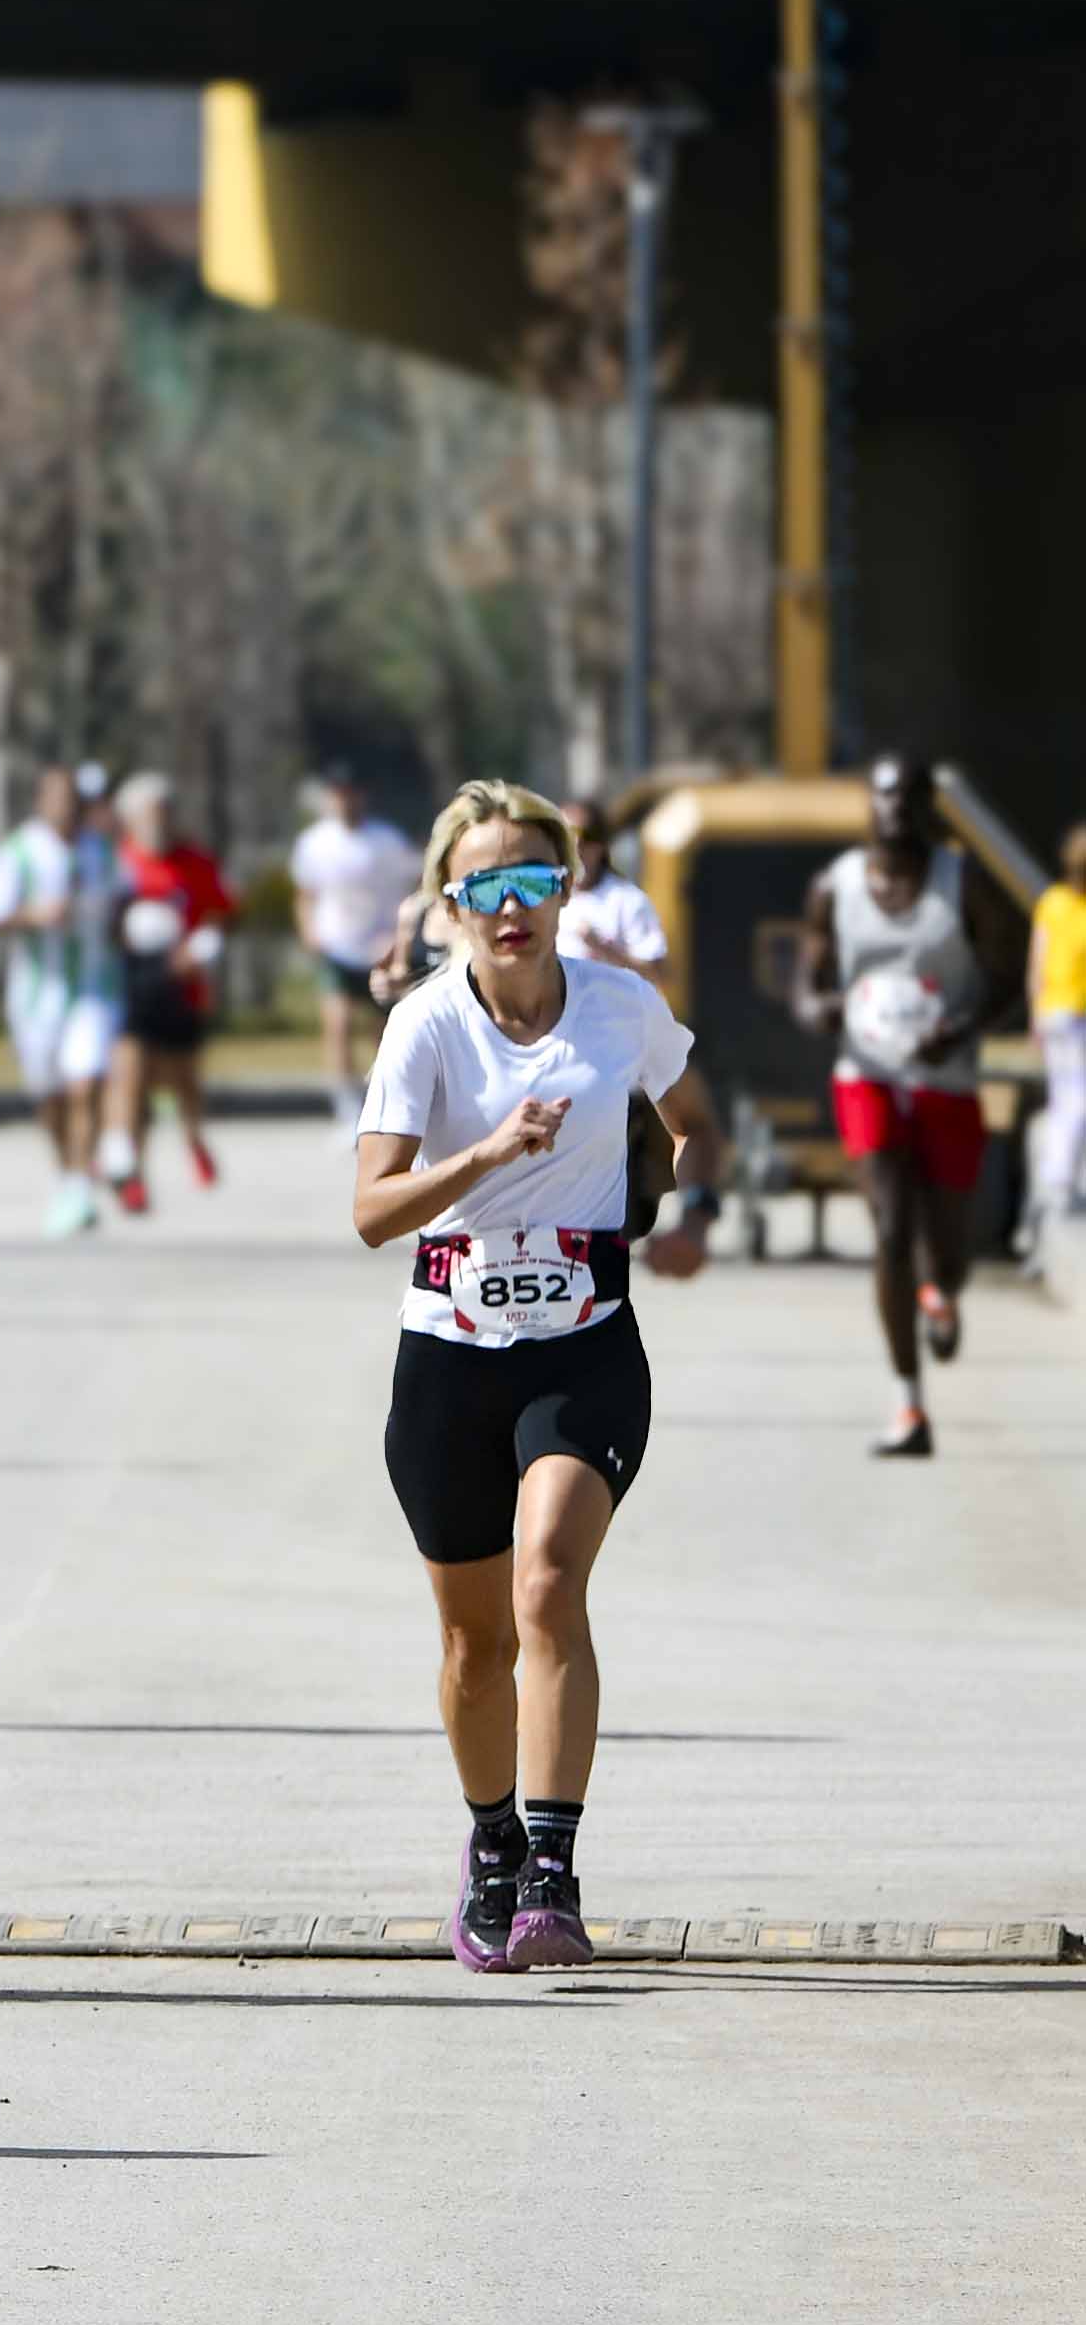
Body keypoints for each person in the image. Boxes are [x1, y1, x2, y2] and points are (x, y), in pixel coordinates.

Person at [353, 783, 721, 1972]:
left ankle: (553, 1871)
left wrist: (687, 1205)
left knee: (547, 1585)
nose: (507, 907)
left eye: (529, 880)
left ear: (566, 887)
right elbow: (369, 1213)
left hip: (585, 1339)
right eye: (481, 887)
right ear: (447, 904)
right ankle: (493, 1843)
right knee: (472, 1645)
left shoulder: (620, 1007)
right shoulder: (424, 1027)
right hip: (448, 1350)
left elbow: (693, 1119)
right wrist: (487, 1154)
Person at [797, 756, 1000, 1456]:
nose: (897, 809)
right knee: (889, 1228)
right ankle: (910, 1406)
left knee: (949, 1248)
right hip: (868, 1071)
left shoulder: (961, 880)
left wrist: (964, 1029)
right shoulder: (836, 886)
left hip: (947, 1072)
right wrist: (821, 1008)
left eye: (912, 798)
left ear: (929, 810)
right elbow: (807, 981)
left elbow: (1009, 972)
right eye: (886, 796)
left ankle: (940, 1288)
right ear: (869, 805)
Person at [0, 763, 122, 1236]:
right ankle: (66, 1173)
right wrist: (34, 915)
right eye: (57, 798)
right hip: (37, 996)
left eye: (73, 799)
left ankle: (81, 1183)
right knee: (51, 1096)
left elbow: (122, 903)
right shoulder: (19, 852)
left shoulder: (100, 850)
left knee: (87, 1084)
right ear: (41, 801)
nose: (67, 807)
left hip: (92, 990)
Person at [104, 773, 232, 1211]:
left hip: (184, 984)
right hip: (136, 985)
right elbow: (106, 923)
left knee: (184, 1080)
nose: (159, 822)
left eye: (165, 812)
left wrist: (200, 952)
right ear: (131, 819)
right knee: (132, 1076)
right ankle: (130, 1169)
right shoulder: (119, 864)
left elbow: (218, 914)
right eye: (149, 814)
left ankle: (194, 1138)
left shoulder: (194, 862)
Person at [291, 766, 416, 1128]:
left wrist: (400, 937)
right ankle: (346, 1106)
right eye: (338, 792)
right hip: (337, 945)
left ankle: (386, 1101)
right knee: (338, 1023)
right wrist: (309, 932)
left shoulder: (386, 840)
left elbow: (410, 886)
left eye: (352, 791)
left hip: (380, 946)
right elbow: (305, 895)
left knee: (385, 1032)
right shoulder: (314, 842)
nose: (345, 800)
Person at [1030, 826, 1086, 1264]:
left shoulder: (1054, 902)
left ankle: (1058, 1181)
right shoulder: (1055, 904)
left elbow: (1037, 962)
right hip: (1068, 1014)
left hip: (1062, 1012)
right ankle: (1059, 1181)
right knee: (1074, 1099)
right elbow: (1040, 962)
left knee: (1068, 1098)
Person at [554, 798, 669, 974]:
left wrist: (604, 949)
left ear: (602, 844)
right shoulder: (542, 898)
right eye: (566, 836)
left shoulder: (628, 900)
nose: (577, 845)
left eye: (587, 836)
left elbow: (655, 974)